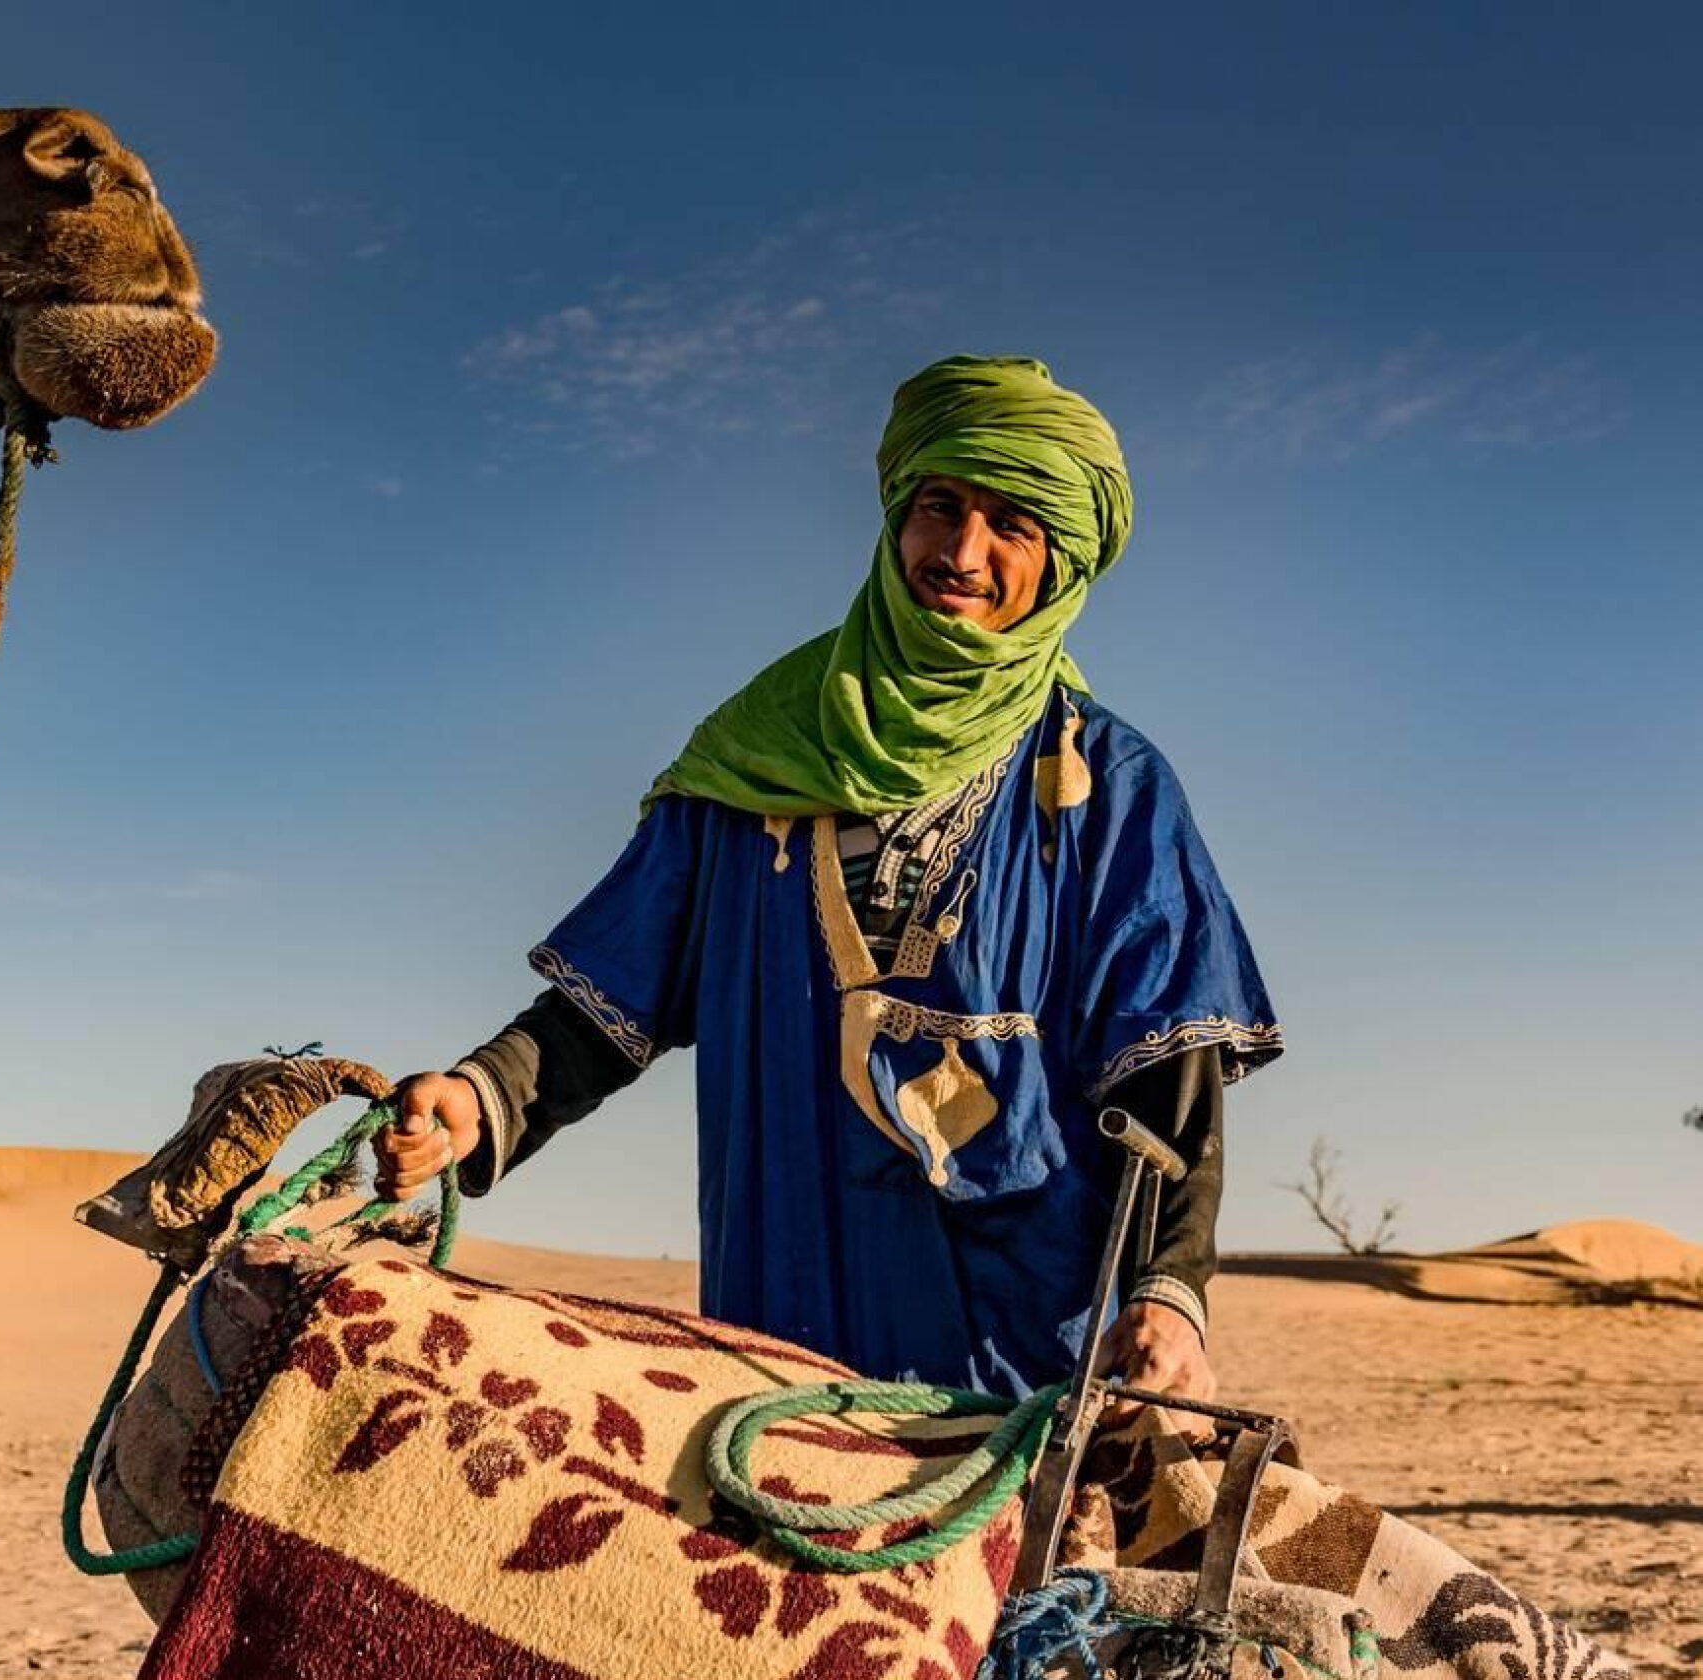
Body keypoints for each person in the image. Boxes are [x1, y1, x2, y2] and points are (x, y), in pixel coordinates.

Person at [378, 354, 1280, 1404]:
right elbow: (612, 1000)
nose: (961, 552)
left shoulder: (1104, 786)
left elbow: (1168, 1077)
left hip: (1023, 1346)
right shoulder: (756, 755)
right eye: (939, 507)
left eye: (1011, 526)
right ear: (896, 517)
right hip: (782, 1322)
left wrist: (1169, 1292)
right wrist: (479, 1098)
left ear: (1063, 565)